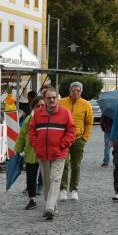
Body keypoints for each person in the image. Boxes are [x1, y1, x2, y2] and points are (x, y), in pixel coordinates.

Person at [29, 87, 76, 220]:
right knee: (47, 181)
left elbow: (71, 131)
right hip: (42, 153)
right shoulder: (37, 113)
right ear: (44, 99)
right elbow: (31, 130)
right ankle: (53, 206)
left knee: (55, 180)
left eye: (54, 97)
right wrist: (35, 144)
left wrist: (63, 145)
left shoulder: (65, 113)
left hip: (59, 153)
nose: (51, 100)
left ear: (58, 99)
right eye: (48, 98)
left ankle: (49, 208)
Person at [59, 81, 94, 202]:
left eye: (78, 90)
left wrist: (85, 138)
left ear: (81, 91)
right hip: (63, 139)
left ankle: (74, 189)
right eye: (73, 90)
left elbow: (89, 122)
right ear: (70, 90)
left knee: (76, 165)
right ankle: (62, 189)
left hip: (78, 139)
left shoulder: (86, 104)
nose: (75, 92)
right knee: (64, 164)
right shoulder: (61, 102)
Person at [15, 96, 45, 210]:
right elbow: (22, 135)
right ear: (34, 107)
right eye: (38, 106)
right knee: (31, 178)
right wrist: (18, 150)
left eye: (43, 105)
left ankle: (50, 201)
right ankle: (32, 199)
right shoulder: (28, 119)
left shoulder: (49, 118)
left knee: (46, 177)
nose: (41, 108)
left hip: (45, 153)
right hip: (31, 152)